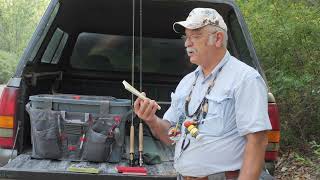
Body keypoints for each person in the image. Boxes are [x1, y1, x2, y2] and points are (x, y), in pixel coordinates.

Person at [134, 8, 272, 180]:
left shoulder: (245, 79)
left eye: (196, 36)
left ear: (218, 39)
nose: (187, 43)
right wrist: (151, 119)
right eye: (186, 37)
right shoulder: (187, 82)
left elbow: (257, 141)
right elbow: (171, 136)